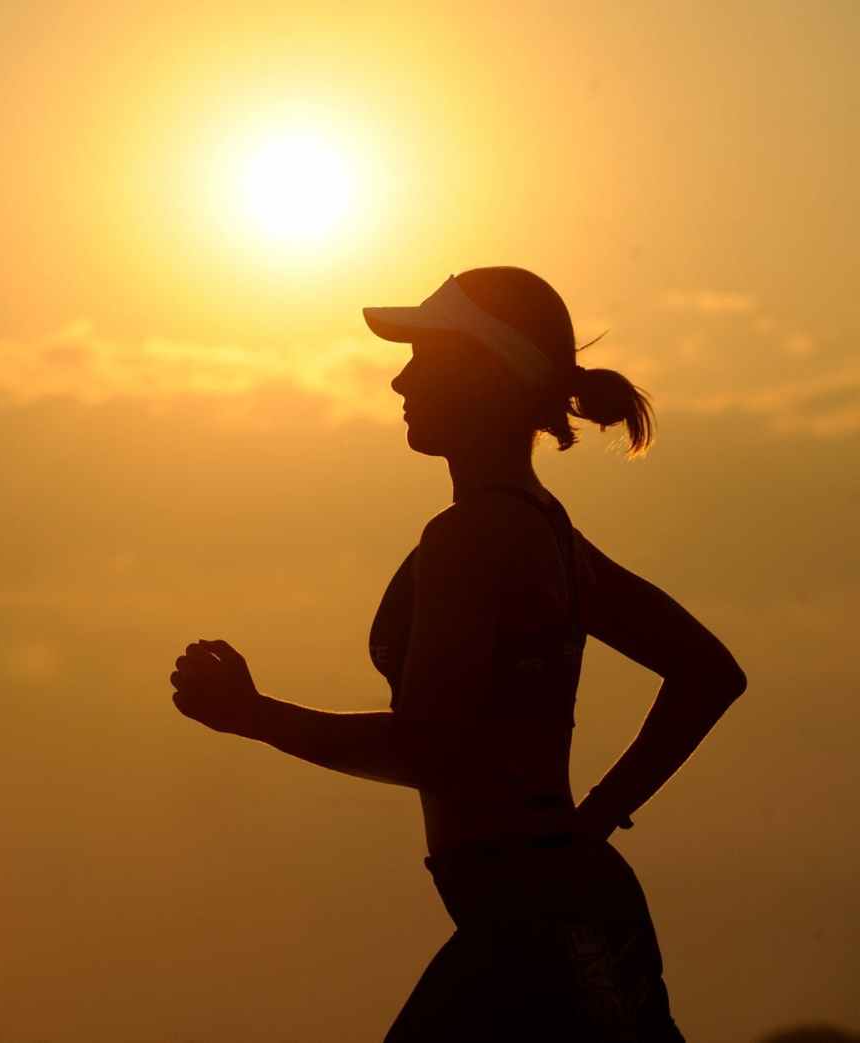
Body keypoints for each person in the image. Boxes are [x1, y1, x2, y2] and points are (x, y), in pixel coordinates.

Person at [168, 267, 747, 1041]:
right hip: (567, 917)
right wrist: (593, 819)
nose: (399, 379)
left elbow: (430, 748)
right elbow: (709, 673)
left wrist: (255, 716)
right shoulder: (547, 532)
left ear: (488, 374)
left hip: (531, 937)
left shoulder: (472, 537)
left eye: (425, 357)